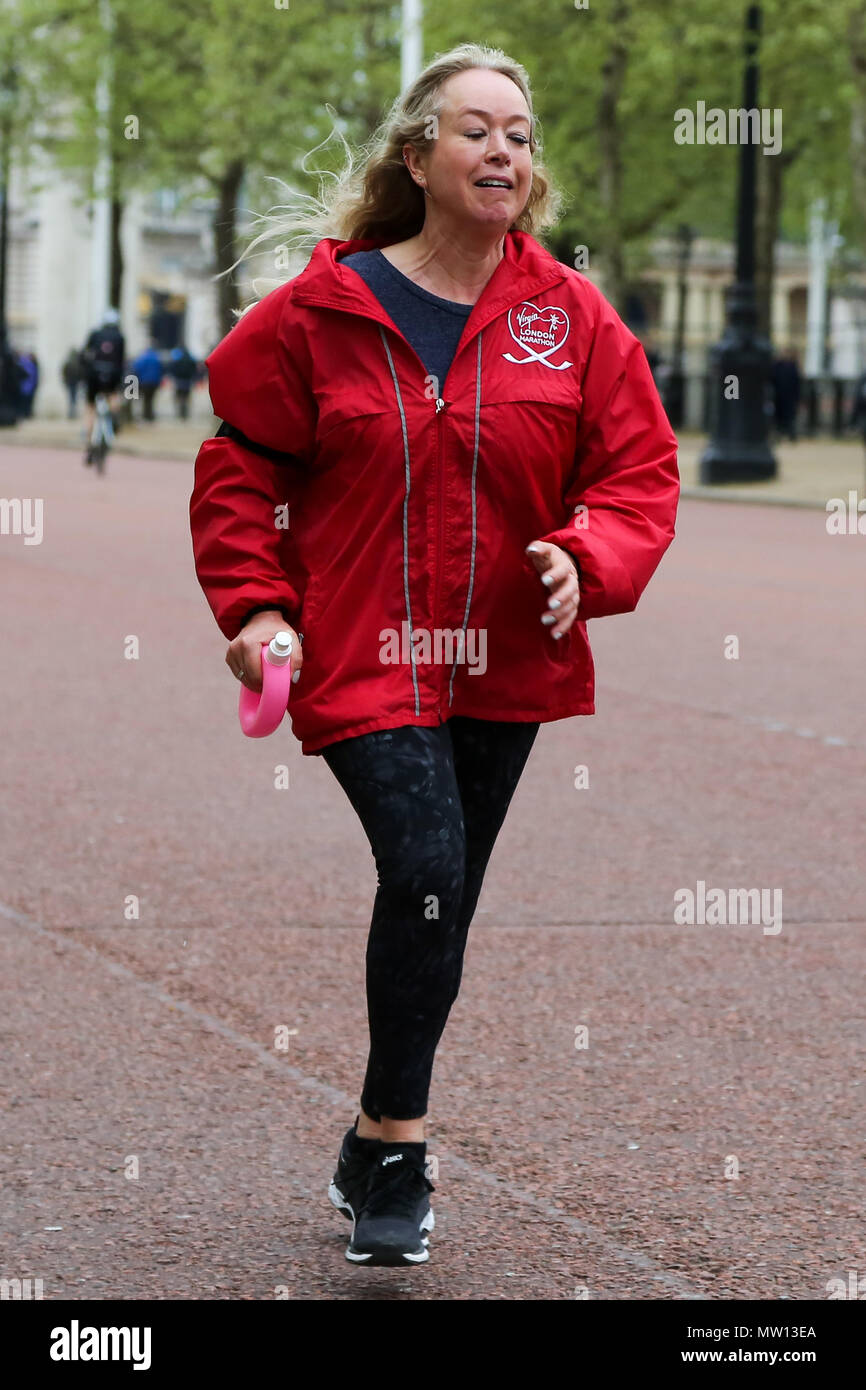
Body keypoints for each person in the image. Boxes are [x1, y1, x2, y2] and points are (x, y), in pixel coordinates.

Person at [189, 42, 679, 1269]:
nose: (502, 150)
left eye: (518, 133)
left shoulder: (567, 316)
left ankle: (368, 1131)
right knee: (421, 860)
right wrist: (254, 609)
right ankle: (401, 1148)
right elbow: (240, 462)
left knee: (442, 896)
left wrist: (584, 553)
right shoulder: (317, 310)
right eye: (475, 129)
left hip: (500, 656)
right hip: (362, 648)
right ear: (418, 156)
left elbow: (635, 474)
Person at [81, 309, 125, 459]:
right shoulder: (120, 337)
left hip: (94, 374)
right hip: (113, 374)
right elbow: (122, 360)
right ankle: (114, 417)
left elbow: (84, 354)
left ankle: (88, 441)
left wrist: (86, 370)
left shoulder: (95, 334)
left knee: (90, 408)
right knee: (113, 396)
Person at [771, 346, 801, 441]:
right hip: (779, 395)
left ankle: (790, 435)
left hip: (789, 396)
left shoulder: (793, 366)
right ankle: (780, 434)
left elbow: (797, 384)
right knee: (779, 417)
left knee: (789, 417)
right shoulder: (778, 365)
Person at [130, 342, 164, 421]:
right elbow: (161, 370)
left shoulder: (142, 358)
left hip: (144, 381)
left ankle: (145, 415)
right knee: (151, 399)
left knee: (145, 399)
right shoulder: (157, 358)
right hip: (154, 382)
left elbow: (137, 369)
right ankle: (150, 415)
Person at [167, 343, 197, 418]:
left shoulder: (178, 360)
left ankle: (179, 413)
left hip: (179, 381)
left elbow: (173, 369)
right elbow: (194, 370)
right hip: (188, 381)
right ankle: (185, 413)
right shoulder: (191, 360)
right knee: (186, 398)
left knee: (179, 397)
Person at [62, 348, 83, 419]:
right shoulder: (77, 363)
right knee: (73, 398)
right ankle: (72, 413)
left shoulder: (69, 363)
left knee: (71, 398)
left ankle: (71, 413)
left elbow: (64, 373)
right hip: (73, 383)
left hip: (71, 383)